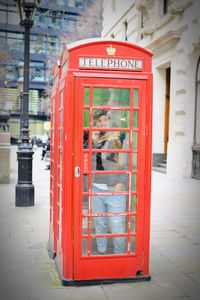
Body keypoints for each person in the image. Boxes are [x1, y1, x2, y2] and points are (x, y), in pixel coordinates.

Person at [91, 111, 128, 255]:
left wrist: (121, 181)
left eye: (105, 119)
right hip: (96, 187)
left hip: (114, 188)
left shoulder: (118, 138)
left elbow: (125, 161)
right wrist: (94, 142)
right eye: (98, 121)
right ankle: (101, 251)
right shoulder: (93, 139)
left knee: (117, 224)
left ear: (110, 121)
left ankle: (120, 254)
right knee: (100, 223)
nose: (101, 123)